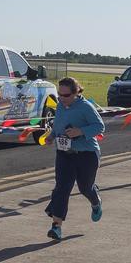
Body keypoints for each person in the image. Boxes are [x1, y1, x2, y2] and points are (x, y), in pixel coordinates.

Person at [45, 77, 105, 241]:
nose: (62, 98)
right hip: (64, 154)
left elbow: (100, 126)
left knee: (85, 188)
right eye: (59, 95)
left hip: (87, 154)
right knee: (62, 188)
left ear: (76, 92)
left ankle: (95, 200)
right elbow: (58, 126)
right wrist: (51, 137)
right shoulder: (60, 106)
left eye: (65, 95)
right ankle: (56, 227)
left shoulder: (85, 107)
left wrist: (80, 131)